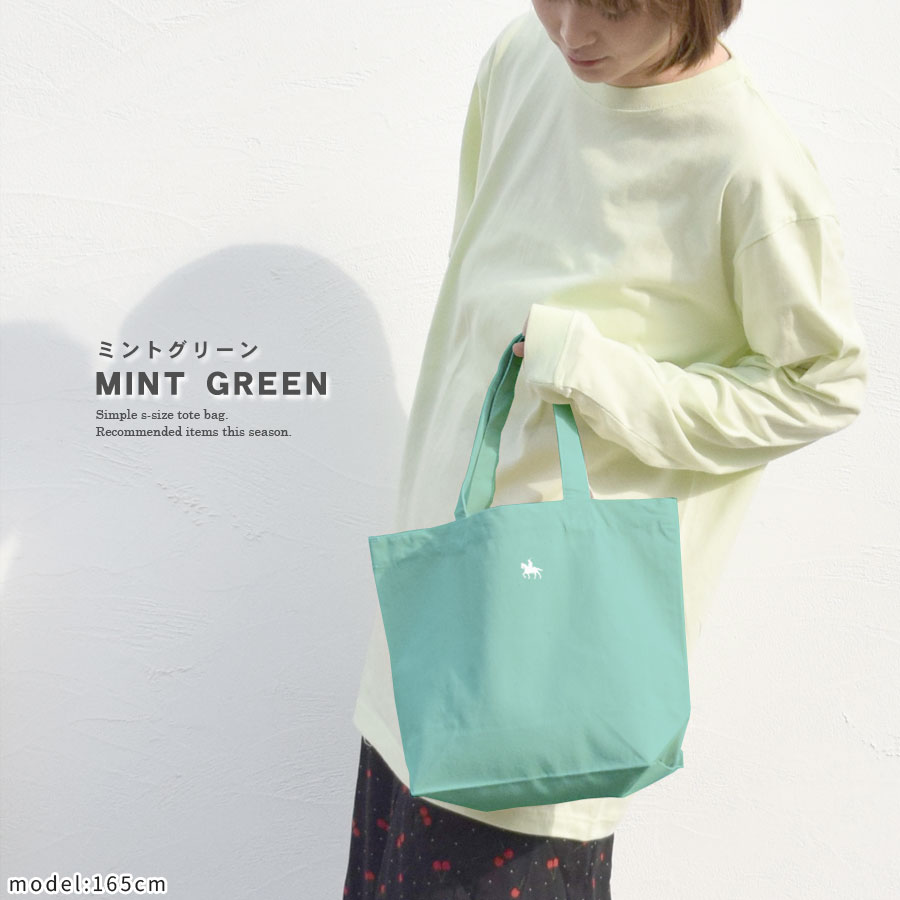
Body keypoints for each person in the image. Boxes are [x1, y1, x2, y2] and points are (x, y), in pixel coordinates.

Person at [343, 1, 869, 897]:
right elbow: (475, 274)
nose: (573, 32)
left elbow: (823, 385)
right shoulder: (524, 56)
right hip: (435, 597)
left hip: (550, 645)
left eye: (615, 9)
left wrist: (592, 373)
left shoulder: (749, 165)